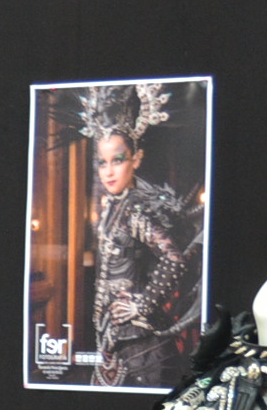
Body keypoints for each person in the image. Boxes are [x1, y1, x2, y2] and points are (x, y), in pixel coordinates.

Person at [85, 121, 198, 388]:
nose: (109, 172)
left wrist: (143, 304)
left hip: (144, 348)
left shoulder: (136, 209)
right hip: (115, 341)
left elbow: (174, 258)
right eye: (103, 163)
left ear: (136, 160)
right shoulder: (114, 207)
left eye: (118, 160)